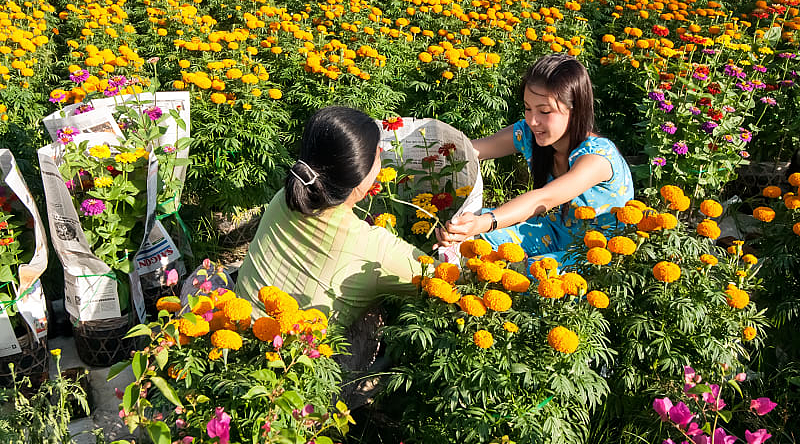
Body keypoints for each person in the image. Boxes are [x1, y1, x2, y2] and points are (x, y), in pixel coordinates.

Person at [235, 106, 425, 327]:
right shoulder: (373, 248)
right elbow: (448, 280)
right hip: (301, 356)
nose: (380, 157)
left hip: (235, 328)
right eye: (377, 154)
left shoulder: (286, 197)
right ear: (362, 177)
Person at [436, 54, 634, 262]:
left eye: (544, 111)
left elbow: (542, 198)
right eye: (528, 108)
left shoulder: (598, 157)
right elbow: (471, 151)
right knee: (469, 236)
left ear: (575, 110)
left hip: (597, 253)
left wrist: (485, 221)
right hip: (552, 232)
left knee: (530, 273)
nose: (532, 120)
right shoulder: (528, 134)